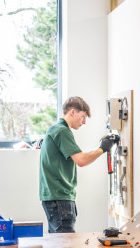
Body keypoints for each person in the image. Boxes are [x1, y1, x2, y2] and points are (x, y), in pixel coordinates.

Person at [40, 96, 116, 233]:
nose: (84, 122)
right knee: (65, 246)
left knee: (58, 245)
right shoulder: (62, 131)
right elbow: (81, 160)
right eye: (83, 116)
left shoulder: (54, 130)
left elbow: (79, 155)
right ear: (73, 112)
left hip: (54, 197)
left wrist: (100, 148)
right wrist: (102, 149)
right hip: (60, 198)